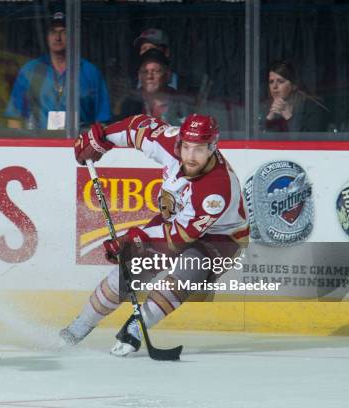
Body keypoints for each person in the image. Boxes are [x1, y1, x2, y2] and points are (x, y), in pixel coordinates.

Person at [61, 113, 249, 356]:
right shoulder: (171, 143)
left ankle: (136, 328)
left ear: (213, 147)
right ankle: (77, 328)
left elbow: (177, 239)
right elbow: (138, 128)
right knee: (130, 271)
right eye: (187, 147)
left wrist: (133, 239)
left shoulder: (216, 189)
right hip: (175, 219)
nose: (190, 156)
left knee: (192, 267)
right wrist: (102, 138)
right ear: (180, 141)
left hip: (222, 237)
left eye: (200, 149)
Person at [5, 12, 111, 130]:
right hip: (39, 144)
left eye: (64, 32)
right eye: (53, 32)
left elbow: (102, 121)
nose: (57, 38)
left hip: (79, 143)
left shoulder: (91, 72)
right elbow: (14, 118)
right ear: (47, 36)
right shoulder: (30, 71)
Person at [117, 48, 191, 125]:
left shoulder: (181, 102)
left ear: (168, 75)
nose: (149, 76)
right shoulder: (130, 103)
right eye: (145, 72)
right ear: (139, 75)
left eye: (155, 71)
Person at [263, 60, 329, 132]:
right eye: (271, 82)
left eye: (280, 81)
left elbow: (311, 140)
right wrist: (269, 118)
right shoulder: (265, 107)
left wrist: (289, 117)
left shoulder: (313, 107)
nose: (274, 86)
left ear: (293, 85)